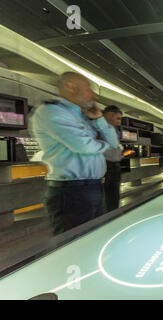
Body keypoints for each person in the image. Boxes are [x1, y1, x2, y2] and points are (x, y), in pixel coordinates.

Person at [29, 72, 118, 235]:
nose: (95, 95)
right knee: (73, 245)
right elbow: (84, 146)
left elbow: (114, 143)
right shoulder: (51, 111)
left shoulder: (85, 116)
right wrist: (103, 144)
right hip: (71, 191)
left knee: (94, 240)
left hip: (93, 186)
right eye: (89, 89)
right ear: (71, 87)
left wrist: (99, 119)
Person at [102, 105, 124, 213]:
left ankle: (113, 215)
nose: (119, 121)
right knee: (105, 196)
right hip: (105, 166)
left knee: (114, 195)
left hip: (115, 165)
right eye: (118, 118)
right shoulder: (100, 127)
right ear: (110, 115)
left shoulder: (114, 129)